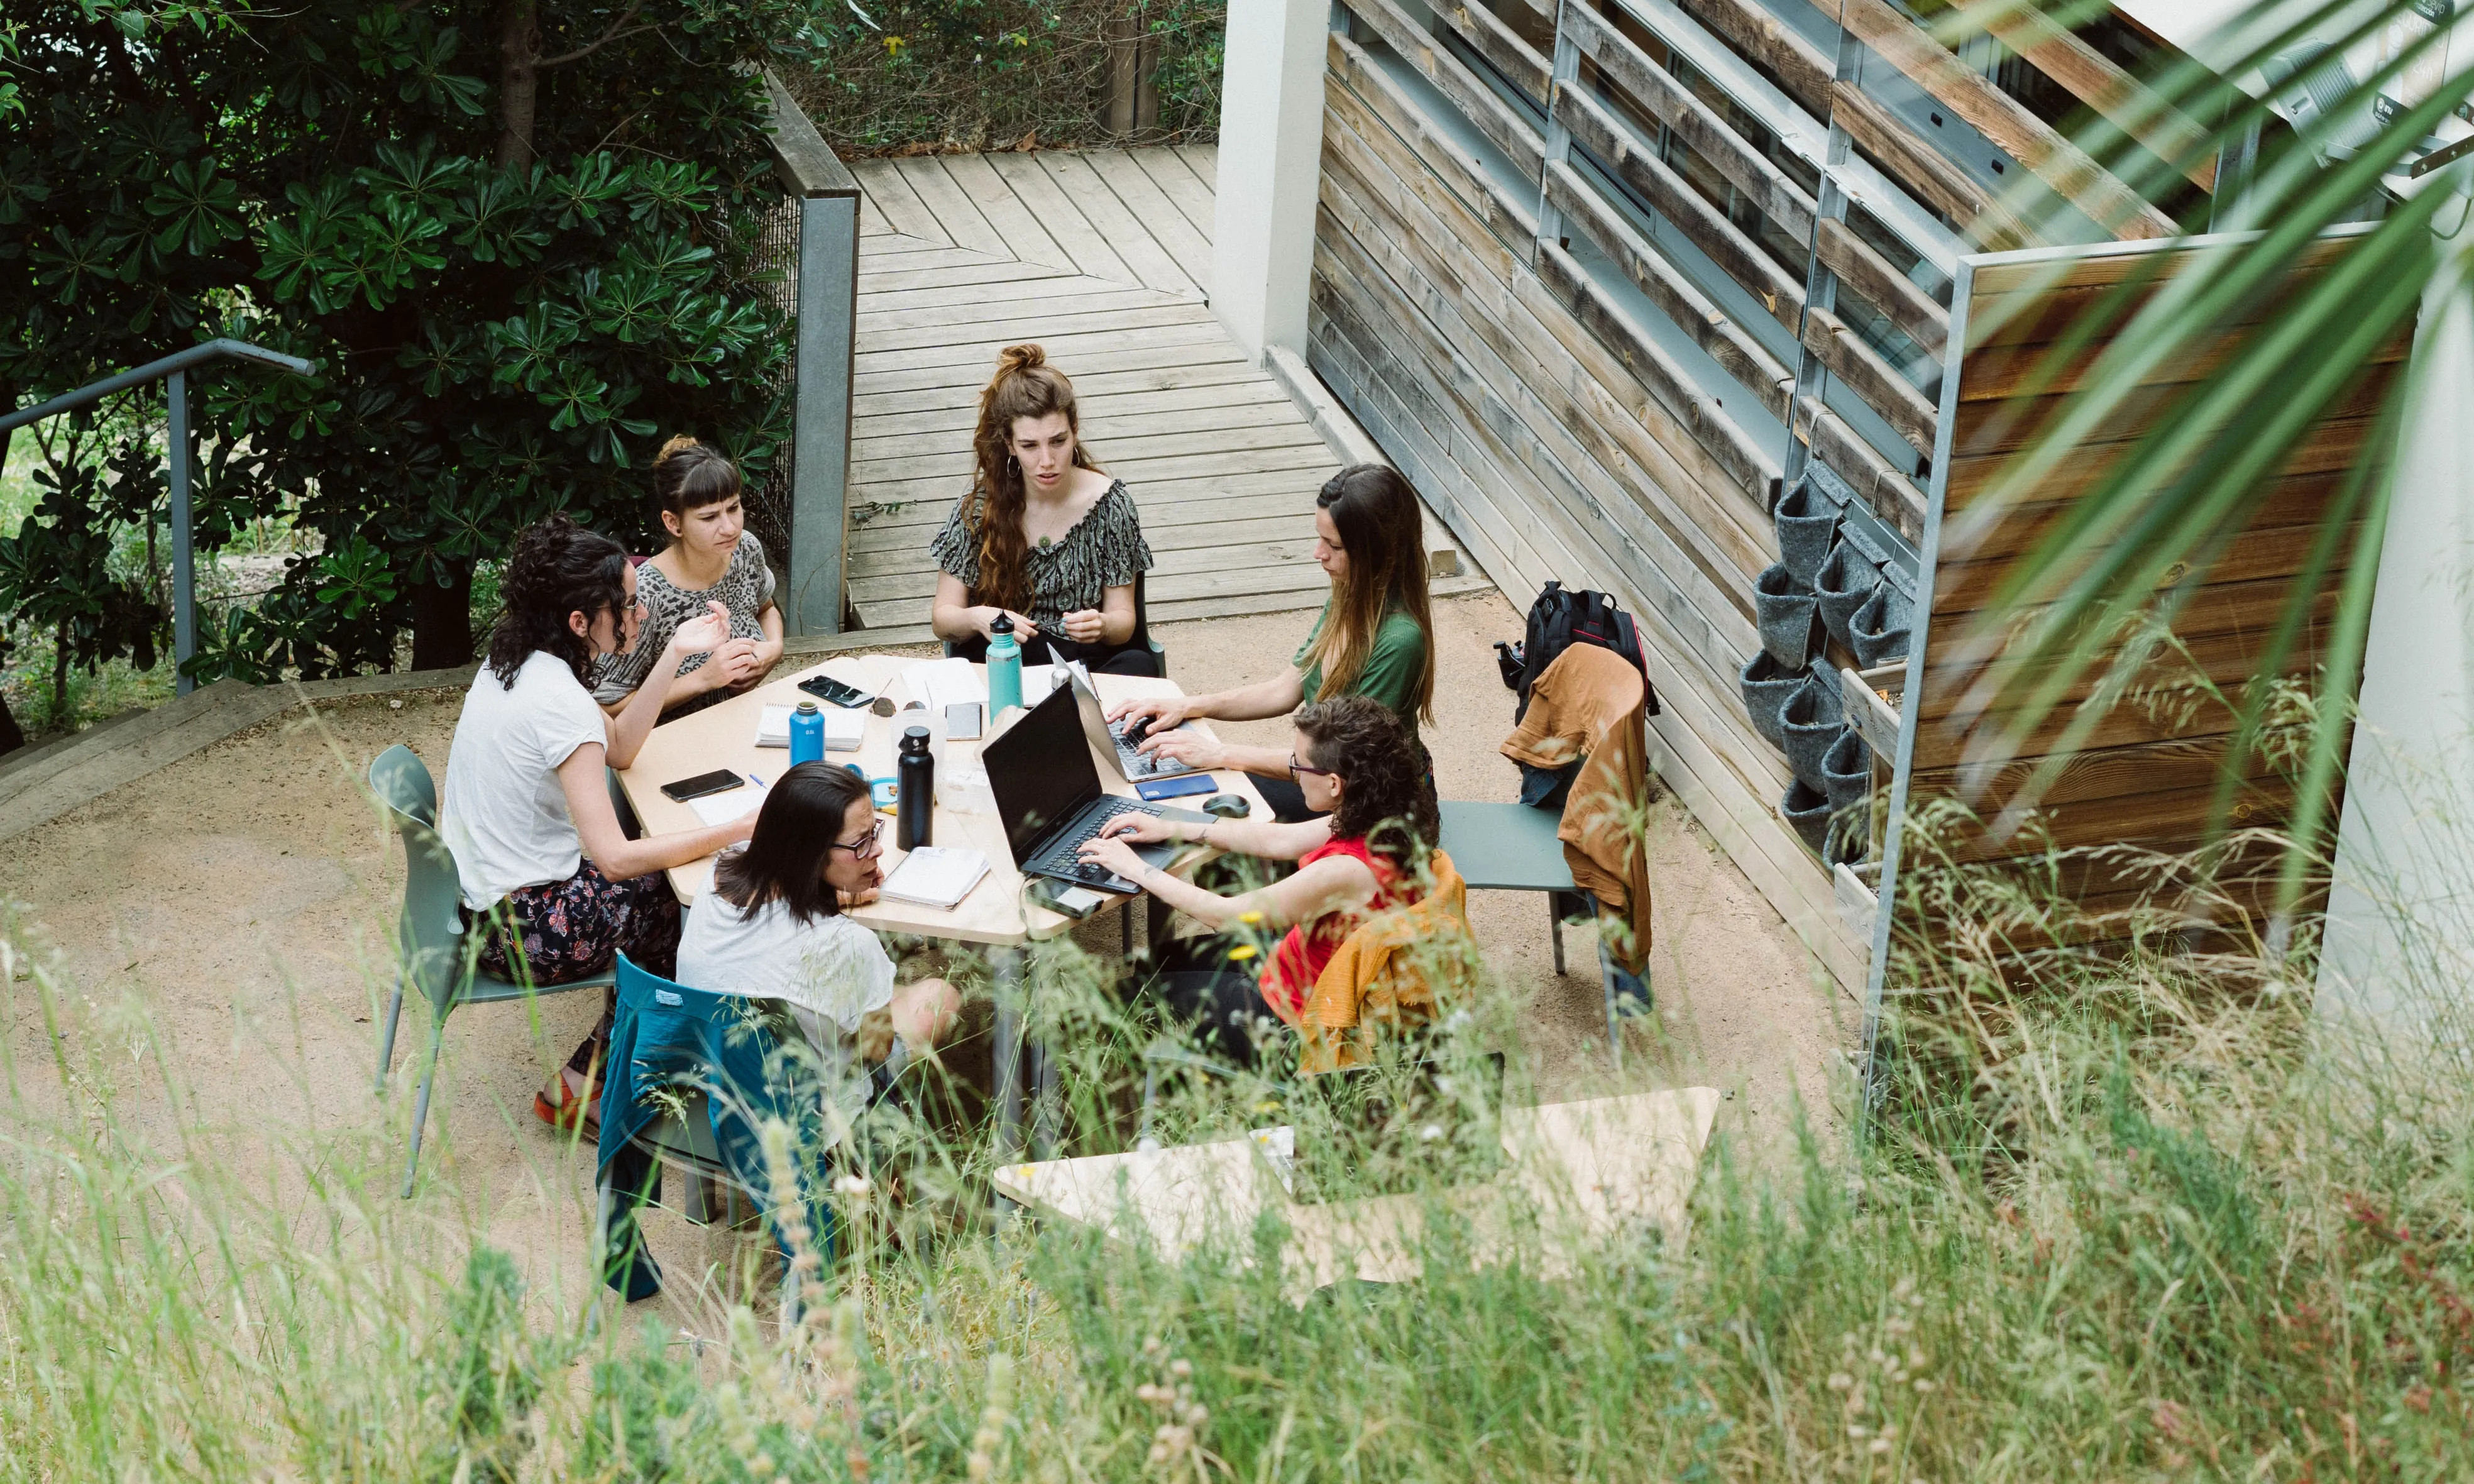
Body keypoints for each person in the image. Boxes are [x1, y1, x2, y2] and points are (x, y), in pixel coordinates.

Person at [439, 513, 758, 1131]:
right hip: (525, 930)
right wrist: (740, 826)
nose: (639, 617)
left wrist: (675, 653)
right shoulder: (557, 699)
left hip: (482, 909)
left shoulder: (520, 662)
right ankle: (593, 1083)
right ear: (580, 621)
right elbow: (612, 857)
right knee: (681, 899)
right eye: (629, 608)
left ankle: (630, 1069)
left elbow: (620, 748)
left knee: (659, 873)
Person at [1074, 696, 1439, 1068]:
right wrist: (1174, 826)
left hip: (1294, 1022)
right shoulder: (1379, 816)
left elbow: (1228, 915)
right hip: (1303, 968)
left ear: (1333, 783)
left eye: (1300, 765)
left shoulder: (1346, 871)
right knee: (1154, 962)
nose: (1293, 771)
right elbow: (1280, 840)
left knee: (1128, 996)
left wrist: (1137, 869)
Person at [1109, 463, 1434, 820]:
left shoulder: (1400, 641)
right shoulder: (1349, 595)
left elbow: (1337, 764)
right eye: (1320, 537)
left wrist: (1218, 753)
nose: (1318, 553)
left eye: (1334, 545)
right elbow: (1284, 689)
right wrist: (1187, 706)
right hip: (1323, 781)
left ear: (1378, 552)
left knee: (1218, 797)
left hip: (1372, 807)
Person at [675, 762, 960, 1132]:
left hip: (708, 1094)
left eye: (874, 831)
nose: (876, 850)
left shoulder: (716, 878)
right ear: (810, 852)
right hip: (809, 1117)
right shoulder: (849, 944)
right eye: (860, 843)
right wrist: (876, 984)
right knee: (939, 994)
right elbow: (877, 1049)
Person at [928, 344, 1158, 676]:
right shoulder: (980, 507)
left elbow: (1124, 621)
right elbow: (943, 617)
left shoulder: (1110, 504)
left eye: (1058, 441)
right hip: (1005, 655)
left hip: (1086, 662)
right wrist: (977, 617)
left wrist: (1103, 625)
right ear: (1009, 444)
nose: (1047, 462)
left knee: (1138, 666)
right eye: (1030, 446)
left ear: (1074, 431)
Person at [592, 436, 784, 718]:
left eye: (733, 508)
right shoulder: (645, 593)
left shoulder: (746, 548)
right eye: (709, 518)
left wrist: (773, 649)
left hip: (747, 721)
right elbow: (605, 707)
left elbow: (766, 609)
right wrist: (703, 680)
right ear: (673, 522)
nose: (729, 528)